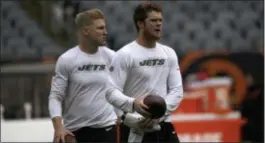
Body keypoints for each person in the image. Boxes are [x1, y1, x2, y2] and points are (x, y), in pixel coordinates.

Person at [105, 2, 184, 143]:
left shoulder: (169, 53)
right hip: (135, 128)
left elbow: (177, 90)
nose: (158, 24)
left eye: (160, 20)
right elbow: (111, 92)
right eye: (153, 20)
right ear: (140, 24)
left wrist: (159, 115)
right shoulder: (124, 55)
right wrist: (134, 104)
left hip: (163, 125)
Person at [48, 9, 117, 143]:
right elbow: (55, 96)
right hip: (75, 132)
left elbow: (124, 90)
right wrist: (58, 128)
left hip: (106, 130)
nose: (105, 32)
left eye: (105, 28)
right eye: (100, 28)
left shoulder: (112, 57)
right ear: (86, 31)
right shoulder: (67, 60)